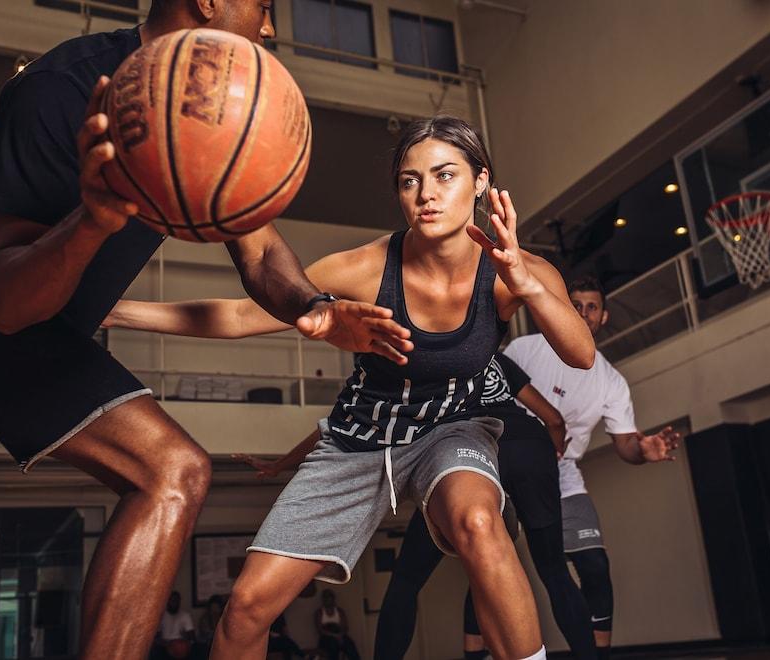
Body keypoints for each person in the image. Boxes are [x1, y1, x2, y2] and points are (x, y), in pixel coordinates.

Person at [0, 2, 407, 658]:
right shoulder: (61, 91)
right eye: (262, 5)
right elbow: (6, 304)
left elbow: (258, 251)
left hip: (11, 345)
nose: (269, 27)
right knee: (171, 470)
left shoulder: (208, 111)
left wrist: (314, 309)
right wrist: (92, 219)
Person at [106, 115, 595, 660]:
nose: (426, 194)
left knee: (479, 521)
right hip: (358, 439)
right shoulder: (365, 267)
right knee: (245, 608)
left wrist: (526, 284)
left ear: (481, 181)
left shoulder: (514, 270)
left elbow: (581, 354)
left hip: (454, 428)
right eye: (410, 181)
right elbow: (244, 314)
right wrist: (113, 312)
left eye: (445, 175)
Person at [372, 352, 598, 660]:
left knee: (407, 580)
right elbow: (554, 420)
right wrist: (553, 450)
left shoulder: (423, 358)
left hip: (471, 447)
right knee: (555, 571)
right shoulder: (491, 353)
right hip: (530, 445)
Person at [504, 275, 680, 660]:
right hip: (508, 468)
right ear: (564, 308)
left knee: (595, 566)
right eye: (576, 305)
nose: (583, 313)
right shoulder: (525, 349)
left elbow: (626, 444)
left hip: (563, 473)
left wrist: (643, 448)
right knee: (494, 572)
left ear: (603, 317)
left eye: (592, 307)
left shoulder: (610, 381)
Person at [314, 590, 359, 660]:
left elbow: (345, 627)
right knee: (332, 646)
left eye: (329, 598)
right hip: (327, 637)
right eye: (326, 598)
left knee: (350, 645)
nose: (328, 600)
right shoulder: (319, 612)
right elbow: (320, 630)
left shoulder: (339, 611)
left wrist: (340, 635)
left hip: (339, 634)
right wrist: (334, 636)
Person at [157, 591, 195, 658]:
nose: (174, 603)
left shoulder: (185, 615)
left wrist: (185, 636)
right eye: (172, 600)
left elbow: (192, 637)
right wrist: (165, 643)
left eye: (176, 601)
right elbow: (156, 637)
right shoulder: (161, 616)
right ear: (167, 601)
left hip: (181, 645)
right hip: (165, 645)